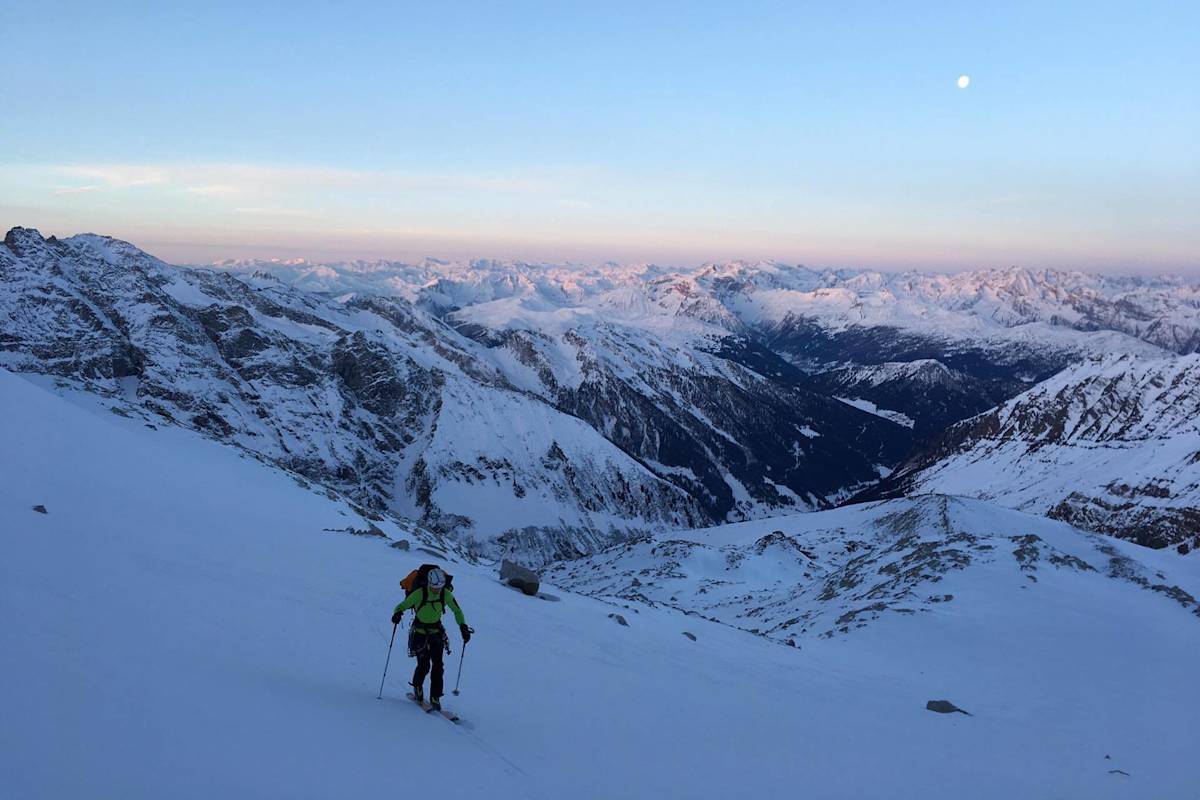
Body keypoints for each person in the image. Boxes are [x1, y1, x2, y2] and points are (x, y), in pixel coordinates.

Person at [391, 567, 470, 710]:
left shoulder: (445, 594)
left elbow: (457, 610)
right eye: (434, 587)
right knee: (424, 664)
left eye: (439, 587)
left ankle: (435, 696)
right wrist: (397, 613)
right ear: (429, 583)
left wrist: (463, 626)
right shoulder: (419, 594)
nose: (436, 590)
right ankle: (418, 686)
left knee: (438, 666)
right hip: (420, 632)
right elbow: (402, 606)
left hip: (436, 632)